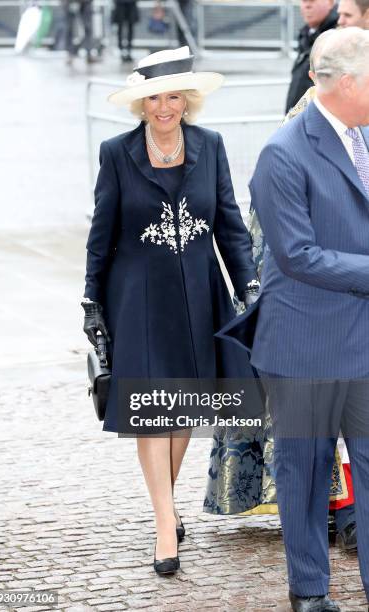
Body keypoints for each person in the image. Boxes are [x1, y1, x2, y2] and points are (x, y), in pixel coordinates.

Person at [81, 46, 261, 576]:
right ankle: (165, 524)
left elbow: (229, 222)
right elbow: (101, 233)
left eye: (173, 96)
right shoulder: (117, 152)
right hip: (137, 296)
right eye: (154, 97)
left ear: (188, 100)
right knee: (152, 413)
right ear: (141, 104)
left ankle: (167, 502)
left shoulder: (211, 145)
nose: (164, 107)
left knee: (182, 406)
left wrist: (248, 283)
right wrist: (91, 299)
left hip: (199, 294)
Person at [220, 27, 369, 612]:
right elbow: (298, 255)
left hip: (363, 342)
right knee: (304, 475)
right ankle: (310, 591)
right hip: (305, 344)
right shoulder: (284, 153)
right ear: (350, 82)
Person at [285, 0, 338, 112]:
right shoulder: (307, 33)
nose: (307, 5)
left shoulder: (338, 37)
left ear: (330, 2)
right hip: (300, 118)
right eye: (304, 1)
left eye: (312, 0)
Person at [62, 0, 96, 65]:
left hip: (85, 2)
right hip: (69, 2)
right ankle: (70, 54)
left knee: (88, 27)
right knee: (69, 29)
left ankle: (89, 53)